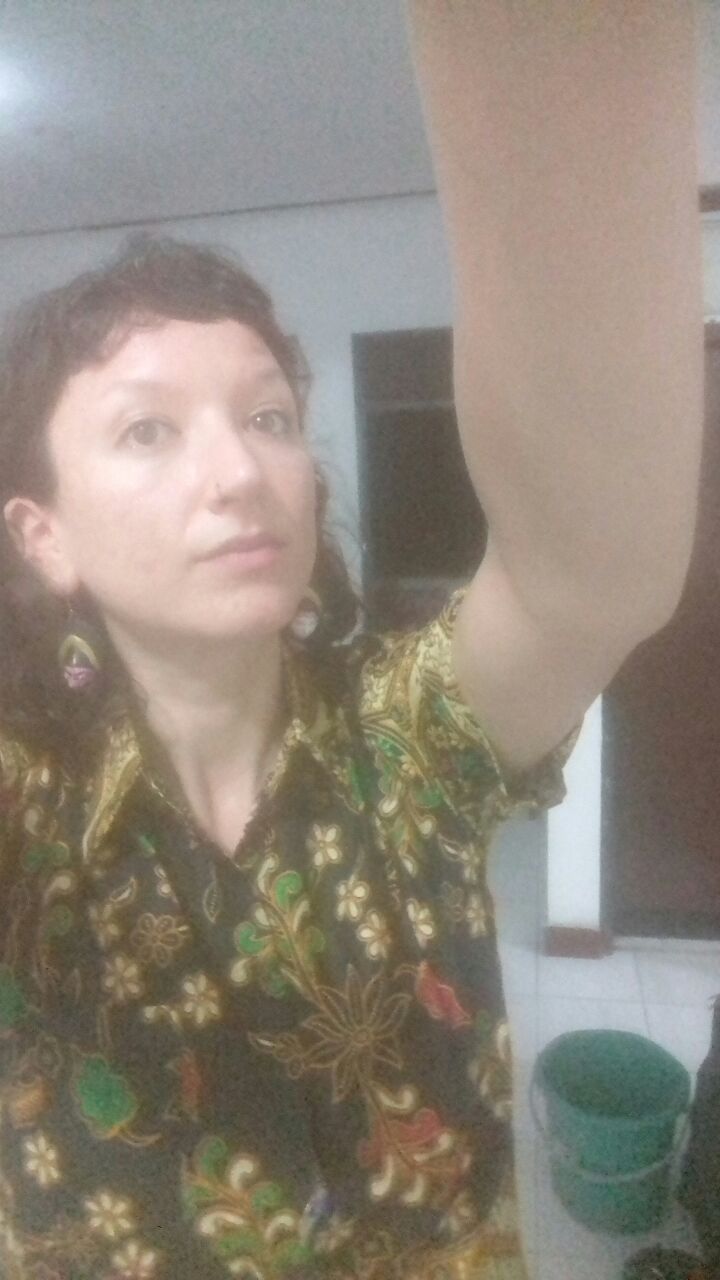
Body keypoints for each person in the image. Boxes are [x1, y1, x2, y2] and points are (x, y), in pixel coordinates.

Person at [0, 3, 704, 1279]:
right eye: (149, 430)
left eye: (269, 416)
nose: (239, 471)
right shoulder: (24, 798)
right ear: (43, 536)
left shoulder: (407, 737)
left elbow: (589, 574)